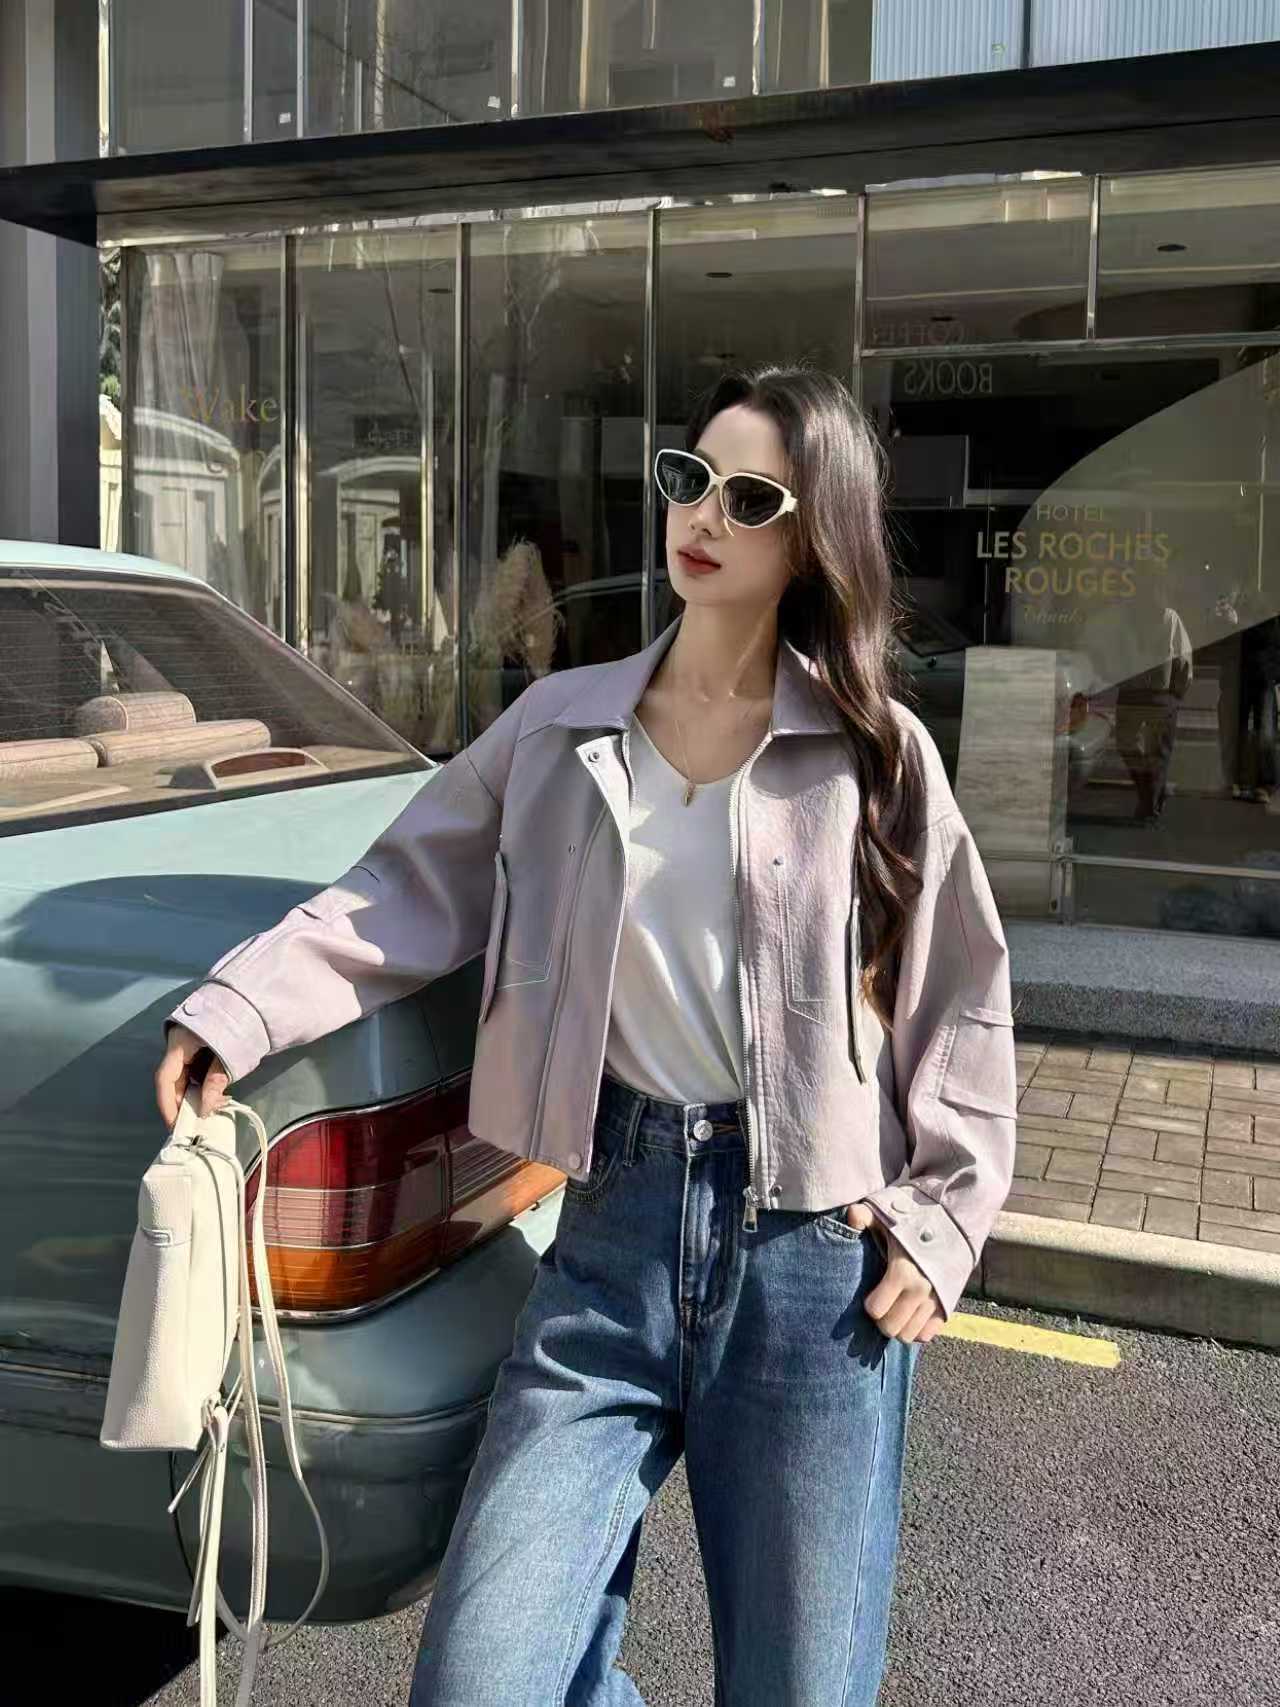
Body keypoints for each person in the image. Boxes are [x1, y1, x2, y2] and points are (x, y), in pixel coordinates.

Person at [155, 364, 1018, 1707]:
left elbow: (961, 992)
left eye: (750, 498)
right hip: (611, 1233)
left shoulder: (875, 753)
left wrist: (945, 1220)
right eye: (690, 479)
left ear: (811, 540)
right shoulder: (558, 728)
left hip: (811, 1266)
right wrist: (239, 1009)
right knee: (480, 1680)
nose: (704, 517)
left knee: (799, 1687)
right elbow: (403, 891)